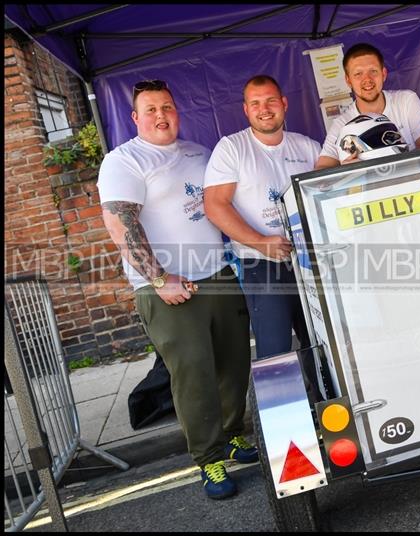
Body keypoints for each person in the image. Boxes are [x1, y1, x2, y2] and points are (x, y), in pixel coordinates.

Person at [98, 79, 255, 500]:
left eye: (166, 106)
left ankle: (234, 434)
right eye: (150, 109)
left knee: (234, 363)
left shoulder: (198, 153)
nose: (160, 115)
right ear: (135, 118)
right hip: (168, 285)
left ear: (177, 110)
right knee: (193, 375)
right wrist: (158, 278)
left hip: (218, 275)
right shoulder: (124, 160)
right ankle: (209, 459)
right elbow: (119, 223)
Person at [203, 75, 322, 400]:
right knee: (275, 351)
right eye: (255, 103)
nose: (264, 109)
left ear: (284, 103)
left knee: (321, 343)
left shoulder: (307, 146)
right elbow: (214, 205)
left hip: (310, 263)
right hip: (263, 264)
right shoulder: (232, 148)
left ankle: (333, 418)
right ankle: (289, 443)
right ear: (245, 110)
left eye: (270, 100)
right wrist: (260, 241)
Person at [315, 43, 420, 169]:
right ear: (348, 81)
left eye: (373, 71)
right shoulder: (342, 124)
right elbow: (321, 170)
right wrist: (348, 170)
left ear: (384, 74)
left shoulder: (406, 101)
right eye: (358, 74)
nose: (367, 79)